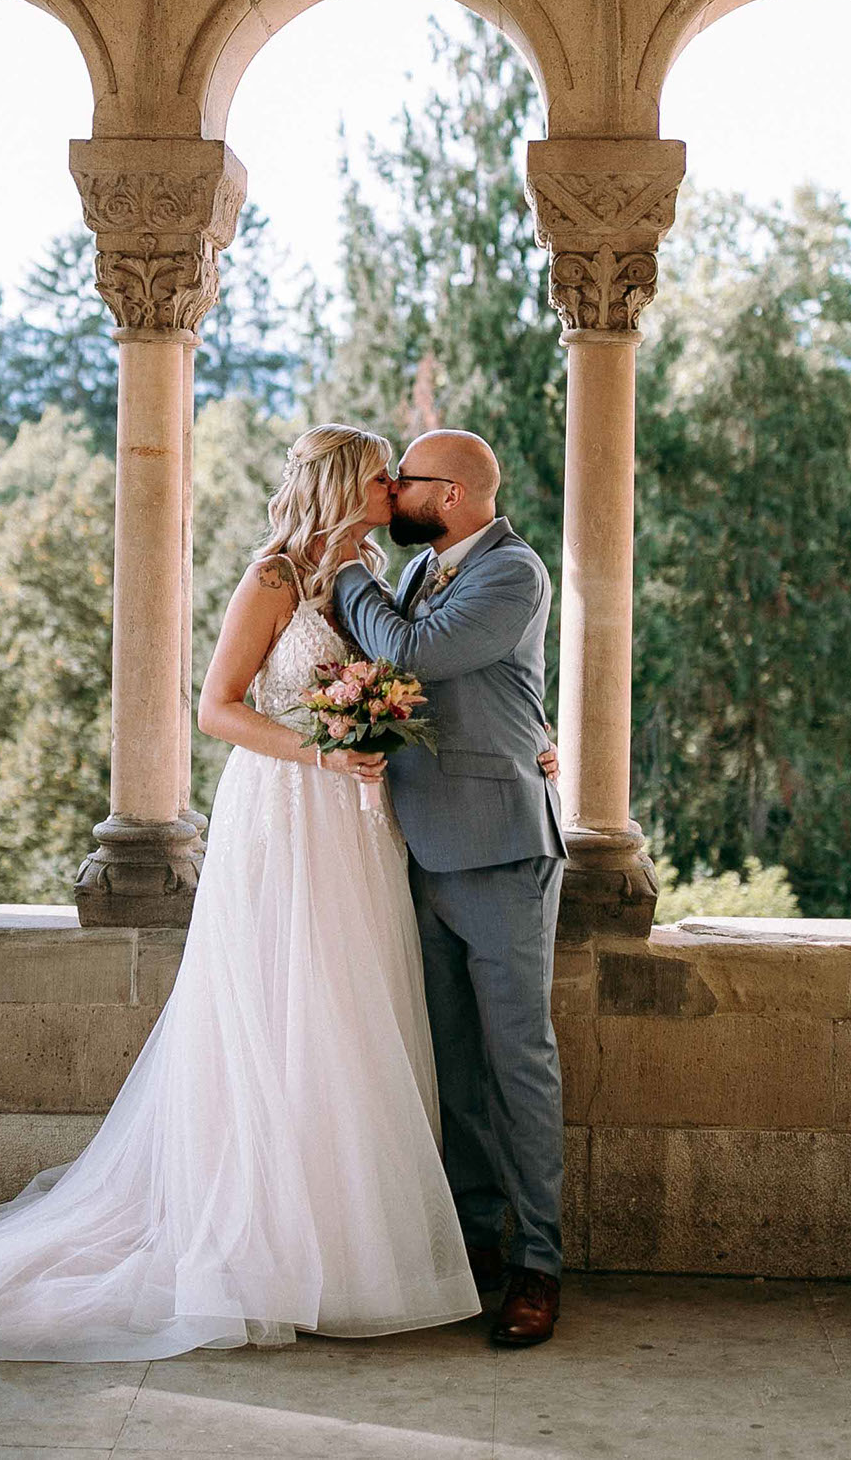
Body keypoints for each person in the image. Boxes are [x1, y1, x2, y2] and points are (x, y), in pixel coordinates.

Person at [0, 424, 512, 1360]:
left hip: (355, 829)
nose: (392, 489)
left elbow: (441, 672)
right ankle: (262, 1249)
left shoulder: (372, 579)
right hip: (283, 815)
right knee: (275, 1017)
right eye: (377, 476)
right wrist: (321, 746)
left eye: (398, 479)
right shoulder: (274, 577)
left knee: (350, 1017)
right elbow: (216, 707)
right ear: (340, 486)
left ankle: (345, 1254)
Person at [330, 429, 568, 1348]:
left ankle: (538, 1264)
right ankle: (471, 1248)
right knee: (454, 1068)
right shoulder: (430, 567)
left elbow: (415, 656)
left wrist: (348, 570)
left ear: (456, 495)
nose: (391, 493)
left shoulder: (513, 571)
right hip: (418, 847)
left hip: (503, 851)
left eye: (406, 481)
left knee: (519, 1064)